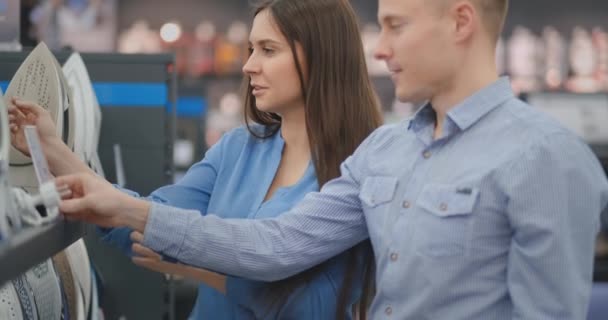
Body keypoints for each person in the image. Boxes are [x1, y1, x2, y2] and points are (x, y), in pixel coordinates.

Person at [18, 0, 608, 318]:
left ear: (461, 21)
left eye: (396, 25)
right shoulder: (387, 151)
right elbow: (277, 248)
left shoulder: (546, 158)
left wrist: (183, 256)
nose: (379, 47)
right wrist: (121, 205)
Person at [9, 0, 382, 319]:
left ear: (320, 57)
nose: (249, 65)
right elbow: (141, 224)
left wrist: (198, 267)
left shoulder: (358, 170)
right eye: (251, 49)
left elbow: (306, 304)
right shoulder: (238, 148)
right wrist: (53, 150)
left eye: (268, 50)